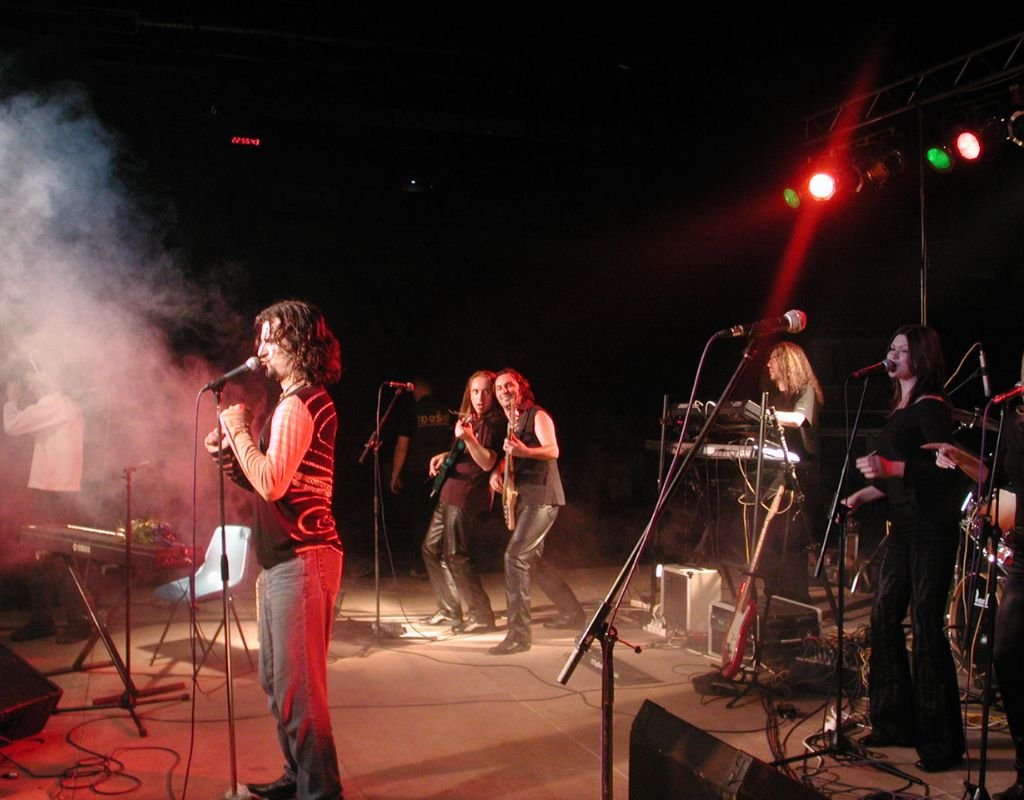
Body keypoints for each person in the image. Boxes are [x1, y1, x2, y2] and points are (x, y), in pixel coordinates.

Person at [206, 300, 344, 800]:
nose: (259, 349)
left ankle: (321, 793)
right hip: (285, 559)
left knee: (298, 692)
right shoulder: (296, 402)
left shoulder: (300, 403)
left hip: (304, 557)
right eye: (259, 338)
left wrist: (238, 430)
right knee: (277, 684)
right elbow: (270, 484)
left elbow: (270, 481)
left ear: (300, 342)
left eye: (270, 338)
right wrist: (231, 457)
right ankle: (297, 779)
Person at [842, 324, 965, 773]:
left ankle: (941, 743)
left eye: (901, 350)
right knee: (883, 614)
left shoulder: (931, 408)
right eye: (890, 348)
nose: (891, 355)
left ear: (921, 358)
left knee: (926, 623)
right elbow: (900, 477)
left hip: (932, 528)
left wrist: (891, 468)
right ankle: (894, 722)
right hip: (905, 527)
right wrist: (863, 494)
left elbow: (948, 472)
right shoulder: (900, 409)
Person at [932, 352, 1024, 799]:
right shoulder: (1013, 419)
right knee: (1008, 656)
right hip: (1023, 555)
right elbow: (996, 478)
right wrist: (959, 458)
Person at [487, 369, 584, 655]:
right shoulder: (512, 423)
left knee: (515, 557)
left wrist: (526, 452)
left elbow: (552, 450)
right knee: (534, 561)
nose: (503, 391)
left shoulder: (537, 415)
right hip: (526, 497)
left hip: (543, 496)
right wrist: (498, 472)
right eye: (499, 388)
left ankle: (519, 636)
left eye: (508, 385)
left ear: (521, 387)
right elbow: (511, 454)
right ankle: (573, 613)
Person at [3, 360, 90, 643]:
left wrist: (11, 400)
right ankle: (46, 619)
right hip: (56, 492)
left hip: (54, 494)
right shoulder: (62, 407)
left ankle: (76, 620)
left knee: (57, 558)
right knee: (43, 556)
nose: (29, 384)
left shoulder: (54, 405)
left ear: (47, 379)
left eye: (33, 378)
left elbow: (12, 425)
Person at [420, 371, 501, 632]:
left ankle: (482, 615)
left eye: (486, 391)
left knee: (455, 554)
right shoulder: (471, 418)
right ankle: (449, 609)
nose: (480, 397)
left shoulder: (493, 422)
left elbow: (487, 461)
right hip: (449, 490)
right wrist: (447, 455)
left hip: (466, 494)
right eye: (475, 391)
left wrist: (468, 438)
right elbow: (466, 452)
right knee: (430, 549)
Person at [761, 341, 824, 603]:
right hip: (777, 473)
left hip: (801, 476)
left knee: (792, 540)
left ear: (787, 363)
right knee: (770, 539)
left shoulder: (805, 391)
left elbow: (799, 419)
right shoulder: (775, 397)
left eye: (774, 359)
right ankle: (773, 595)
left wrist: (766, 415)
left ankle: (797, 600)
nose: (768, 364)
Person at [390, 379, 452, 574]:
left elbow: (402, 447)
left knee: (419, 520)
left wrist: (395, 475)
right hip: (444, 472)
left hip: (417, 473)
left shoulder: (411, 412)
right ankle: (444, 565)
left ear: (416, 389)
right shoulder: (446, 410)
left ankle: (420, 567)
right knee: (442, 521)